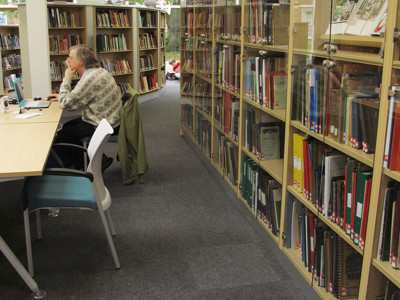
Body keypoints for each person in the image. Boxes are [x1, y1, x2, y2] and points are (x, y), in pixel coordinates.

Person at [49, 44, 122, 171]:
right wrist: (63, 96)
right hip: (110, 119)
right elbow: (79, 96)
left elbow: (65, 104)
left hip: (103, 124)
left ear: (81, 61)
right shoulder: (98, 71)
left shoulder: (89, 78)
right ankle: (100, 158)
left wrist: (67, 78)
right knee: (66, 127)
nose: (67, 61)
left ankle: (89, 167)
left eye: (71, 58)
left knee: (63, 136)